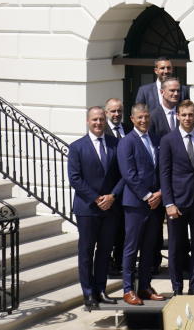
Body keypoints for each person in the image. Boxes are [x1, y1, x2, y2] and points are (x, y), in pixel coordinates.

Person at [68, 106, 123, 311]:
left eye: (101, 119)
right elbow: (75, 178)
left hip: (110, 208)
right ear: (88, 121)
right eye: (95, 120)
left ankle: (101, 289)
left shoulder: (115, 144)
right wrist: (96, 198)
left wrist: (112, 196)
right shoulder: (77, 147)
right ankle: (88, 293)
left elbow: (122, 175)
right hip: (87, 208)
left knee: (105, 251)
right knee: (86, 251)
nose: (99, 123)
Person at [118, 103, 166, 305]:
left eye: (146, 117)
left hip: (156, 204)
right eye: (140, 118)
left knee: (149, 248)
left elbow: (162, 168)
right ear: (132, 119)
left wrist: (160, 194)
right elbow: (128, 174)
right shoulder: (126, 142)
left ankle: (144, 286)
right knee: (131, 248)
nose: (144, 120)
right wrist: (148, 196)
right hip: (136, 204)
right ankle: (128, 289)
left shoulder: (156, 139)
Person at [159, 100, 194, 295]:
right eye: (184, 115)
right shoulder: (168, 140)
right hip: (177, 203)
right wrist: (168, 203)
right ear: (178, 116)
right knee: (176, 247)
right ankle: (177, 287)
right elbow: (164, 173)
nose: (188, 118)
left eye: (190, 114)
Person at [103, 98, 128, 276]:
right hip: (109, 191)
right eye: (112, 111)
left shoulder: (129, 129)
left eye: (119, 111)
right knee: (108, 232)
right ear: (106, 113)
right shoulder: (101, 132)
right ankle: (107, 263)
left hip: (128, 189)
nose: (116, 114)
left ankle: (120, 262)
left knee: (124, 230)